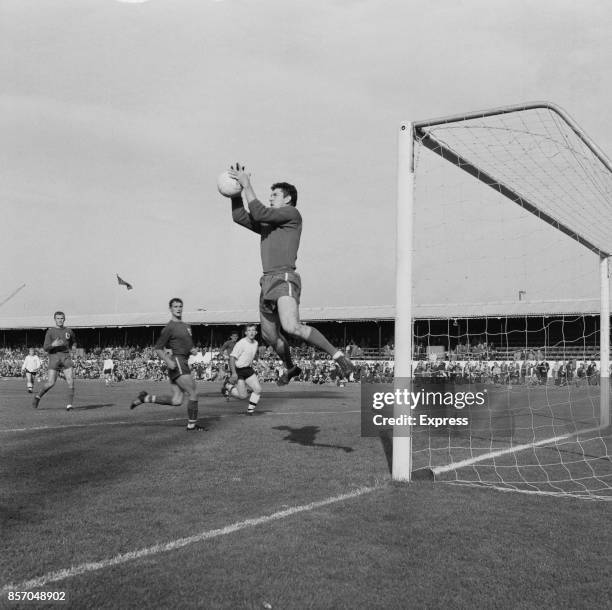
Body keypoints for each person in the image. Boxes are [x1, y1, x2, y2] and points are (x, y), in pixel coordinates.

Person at [227, 163, 353, 385]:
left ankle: (339, 356)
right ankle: (290, 367)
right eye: (271, 194)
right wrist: (235, 192)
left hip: (284, 277)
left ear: (287, 199)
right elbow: (239, 216)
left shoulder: (292, 214)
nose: (271, 197)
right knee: (269, 336)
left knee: (290, 326)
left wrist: (247, 184)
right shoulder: (268, 223)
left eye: (275, 194)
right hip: (266, 281)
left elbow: (257, 211)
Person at [130, 298, 205, 431]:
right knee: (193, 392)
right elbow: (158, 348)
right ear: (170, 309)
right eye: (175, 306)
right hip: (177, 362)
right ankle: (192, 426)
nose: (178, 308)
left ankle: (145, 398)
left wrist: (192, 350)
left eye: (180, 306)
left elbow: (187, 345)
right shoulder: (169, 328)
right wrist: (168, 361)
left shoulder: (187, 327)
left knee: (177, 401)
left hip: (182, 361)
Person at [32, 311, 77, 410]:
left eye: (61, 318)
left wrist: (73, 347)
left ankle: (69, 405)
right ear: (55, 319)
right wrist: (53, 345)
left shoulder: (69, 331)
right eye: (58, 318)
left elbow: (74, 341)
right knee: (51, 383)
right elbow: (45, 348)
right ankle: (37, 397)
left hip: (66, 357)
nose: (60, 320)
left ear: (64, 319)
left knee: (71, 381)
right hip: (54, 357)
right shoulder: (50, 332)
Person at [222, 324, 263, 415]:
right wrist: (234, 373)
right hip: (239, 370)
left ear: (256, 332)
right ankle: (228, 386)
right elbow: (232, 357)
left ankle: (250, 411)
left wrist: (261, 362)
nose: (251, 332)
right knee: (243, 396)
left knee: (258, 390)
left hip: (248, 369)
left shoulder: (256, 343)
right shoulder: (241, 343)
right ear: (245, 333)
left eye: (253, 330)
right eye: (249, 330)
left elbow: (253, 354)